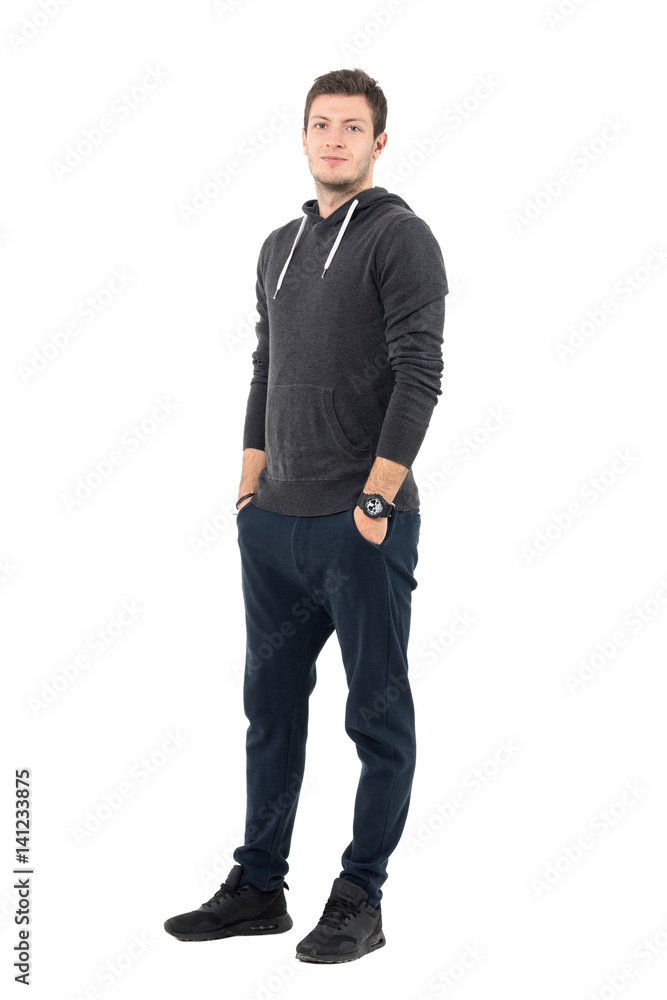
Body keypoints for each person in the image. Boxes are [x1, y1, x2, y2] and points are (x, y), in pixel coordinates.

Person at [164, 67, 448, 964]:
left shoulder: (400, 238)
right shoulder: (277, 246)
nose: (334, 138)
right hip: (274, 526)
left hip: (360, 526)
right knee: (272, 714)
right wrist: (248, 489)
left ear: (378, 142)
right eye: (321, 124)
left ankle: (360, 896)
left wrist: (376, 498)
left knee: (376, 720)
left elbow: (420, 372)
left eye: (351, 126)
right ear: (302, 136)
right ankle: (258, 886)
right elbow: (266, 366)